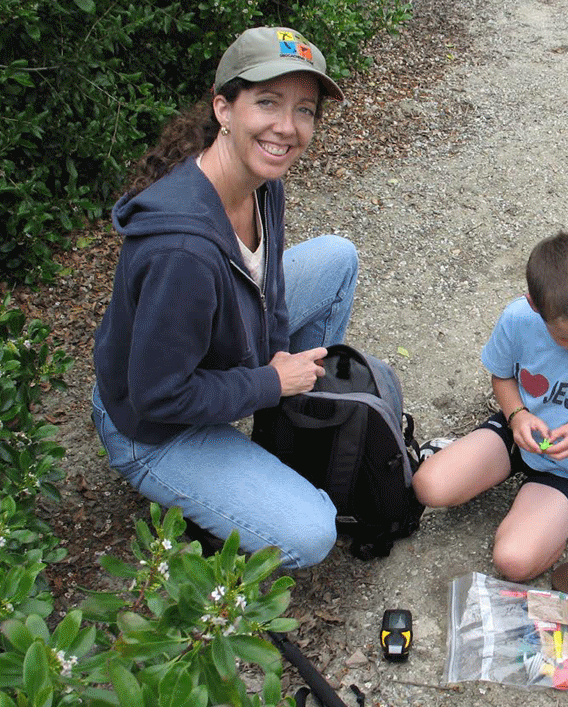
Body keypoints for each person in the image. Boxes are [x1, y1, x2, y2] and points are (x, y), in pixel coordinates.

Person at [91, 27, 359, 569]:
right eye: (267, 102)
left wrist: (276, 363)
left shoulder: (262, 180)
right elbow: (157, 397)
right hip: (152, 428)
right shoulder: (181, 252)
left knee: (336, 256)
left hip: (212, 357)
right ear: (224, 108)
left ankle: (286, 436)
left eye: (304, 110)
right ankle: (218, 489)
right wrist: (270, 381)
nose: (287, 128)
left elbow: (272, 290)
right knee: (311, 534)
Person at [412, 232, 568, 582]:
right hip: (520, 431)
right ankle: (498, 470)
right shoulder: (518, 319)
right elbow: (501, 376)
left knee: (513, 562)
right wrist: (517, 415)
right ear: (534, 305)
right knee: (428, 488)